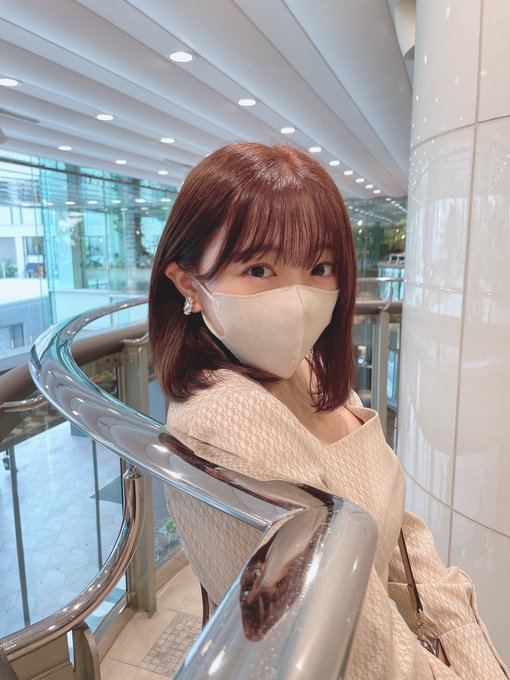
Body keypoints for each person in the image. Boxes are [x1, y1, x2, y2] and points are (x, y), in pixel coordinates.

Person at [149, 142, 508, 679]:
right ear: (188, 283)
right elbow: (368, 659)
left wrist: (463, 639)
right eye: (259, 268)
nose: (297, 299)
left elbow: (400, 533)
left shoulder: (304, 369)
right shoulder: (227, 422)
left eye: (319, 267)